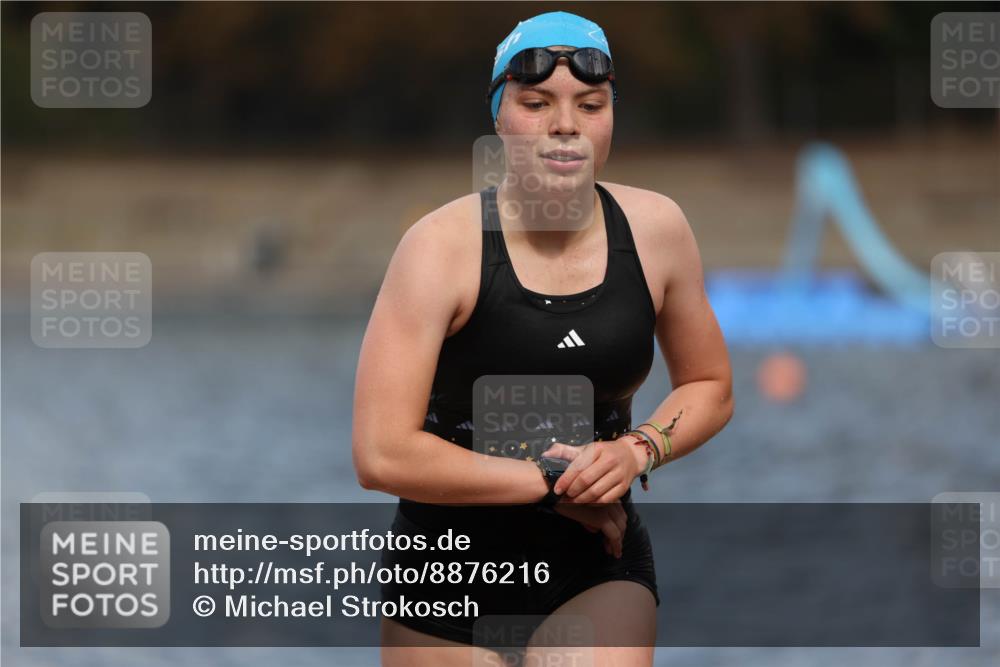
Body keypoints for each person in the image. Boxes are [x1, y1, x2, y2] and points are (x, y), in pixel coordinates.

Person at [352, 10, 733, 667]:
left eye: (590, 104)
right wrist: (550, 482)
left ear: (612, 114)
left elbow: (710, 385)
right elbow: (381, 453)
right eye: (536, 103)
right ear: (500, 117)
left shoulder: (656, 229)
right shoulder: (439, 250)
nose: (565, 124)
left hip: (596, 563)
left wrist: (641, 448)